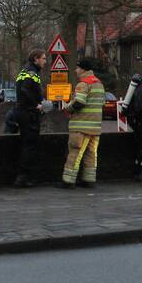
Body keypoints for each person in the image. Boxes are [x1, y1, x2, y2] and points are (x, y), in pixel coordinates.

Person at [57, 58, 106, 189]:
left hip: (81, 127)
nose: (75, 70)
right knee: (91, 154)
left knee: (75, 153)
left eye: (77, 68)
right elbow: (101, 103)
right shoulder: (99, 83)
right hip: (95, 127)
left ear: (83, 69)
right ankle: (89, 180)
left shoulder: (83, 83)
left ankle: (68, 181)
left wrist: (68, 108)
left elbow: (79, 102)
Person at [13, 49, 48, 188]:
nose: (45, 61)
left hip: (22, 112)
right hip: (29, 113)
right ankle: (23, 177)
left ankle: (24, 177)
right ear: (36, 59)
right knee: (30, 146)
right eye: (44, 59)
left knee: (26, 145)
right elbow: (26, 90)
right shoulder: (32, 73)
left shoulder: (23, 71)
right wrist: (37, 105)